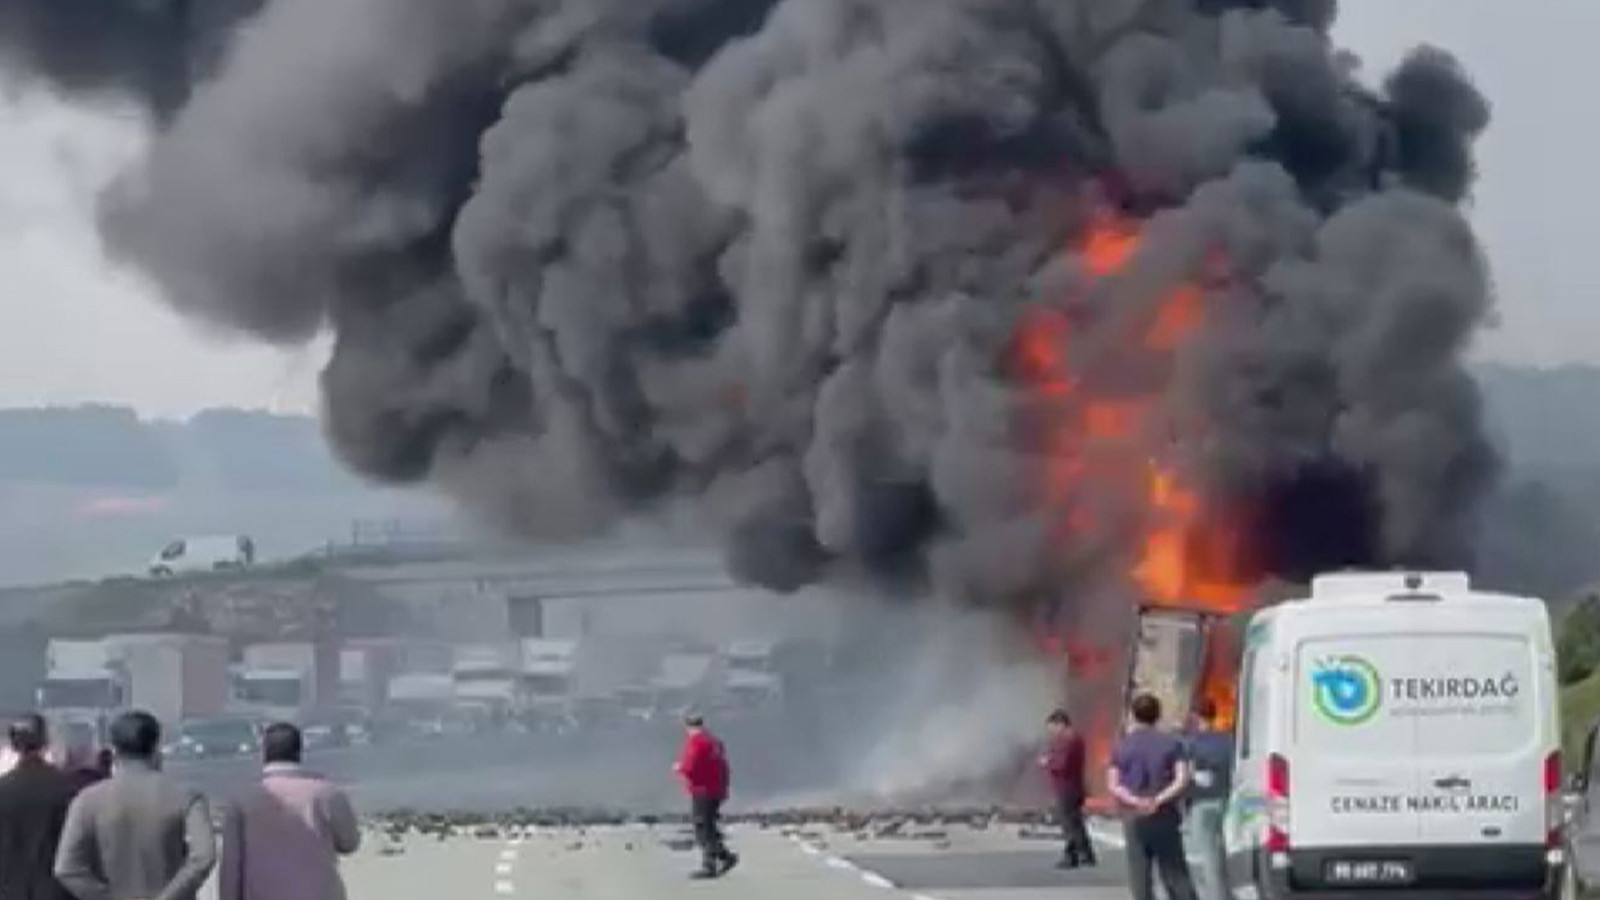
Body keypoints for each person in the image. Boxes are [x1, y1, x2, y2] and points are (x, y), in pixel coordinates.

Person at [54, 710, 217, 900]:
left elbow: (66, 868)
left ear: (113, 751)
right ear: (156, 748)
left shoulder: (87, 801)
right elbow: (204, 856)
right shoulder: (185, 797)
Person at [221, 722, 361, 900]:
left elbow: (231, 865)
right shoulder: (327, 793)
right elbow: (350, 843)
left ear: (264, 754)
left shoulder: (242, 799)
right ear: (298, 752)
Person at [1108, 694, 1199, 900]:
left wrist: (1136, 800)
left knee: (1139, 874)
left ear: (1133, 715)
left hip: (1133, 816)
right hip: (1165, 814)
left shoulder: (1122, 746)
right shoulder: (1172, 743)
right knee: (1175, 872)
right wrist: (1157, 800)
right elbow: (1182, 779)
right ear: (1158, 715)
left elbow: (1114, 784)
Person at [0, 714, 80, 900]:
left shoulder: (3, 789)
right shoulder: (67, 786)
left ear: (13, 745)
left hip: (11, 888)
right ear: (45, 742)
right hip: (57, 889)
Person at [673, 713, 738, 879]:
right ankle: (725, 857)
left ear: (688, 726)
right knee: (708, 826)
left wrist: (679, 767)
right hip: (716, 790)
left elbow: (690, 766)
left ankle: (711, 865)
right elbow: (724, 768)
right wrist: (724, 790)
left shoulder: (695, 742)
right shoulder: (714, 742)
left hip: (702, 791)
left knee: (702, 827)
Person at [1183, 699, 1234, 900]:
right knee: (1224, 850)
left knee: (1209, 855)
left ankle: (1218, 896)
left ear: (1196, 718)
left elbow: (1186, 773)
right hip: (1227, 798)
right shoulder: (1229, 740)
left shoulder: (1191, 744)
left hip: (1202, 802)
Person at [1039, 709, 1095, 869]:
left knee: (1069, 824)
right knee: (1076, 823)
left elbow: (1061, 765)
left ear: (1060, 724)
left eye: (1052, 728)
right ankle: (1086, 854)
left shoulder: (1067, 741)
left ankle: (1071, 857)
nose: (1052, 733)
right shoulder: (1076, 739)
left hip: (1066, 789)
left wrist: (1047, 763)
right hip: (1074, 787)